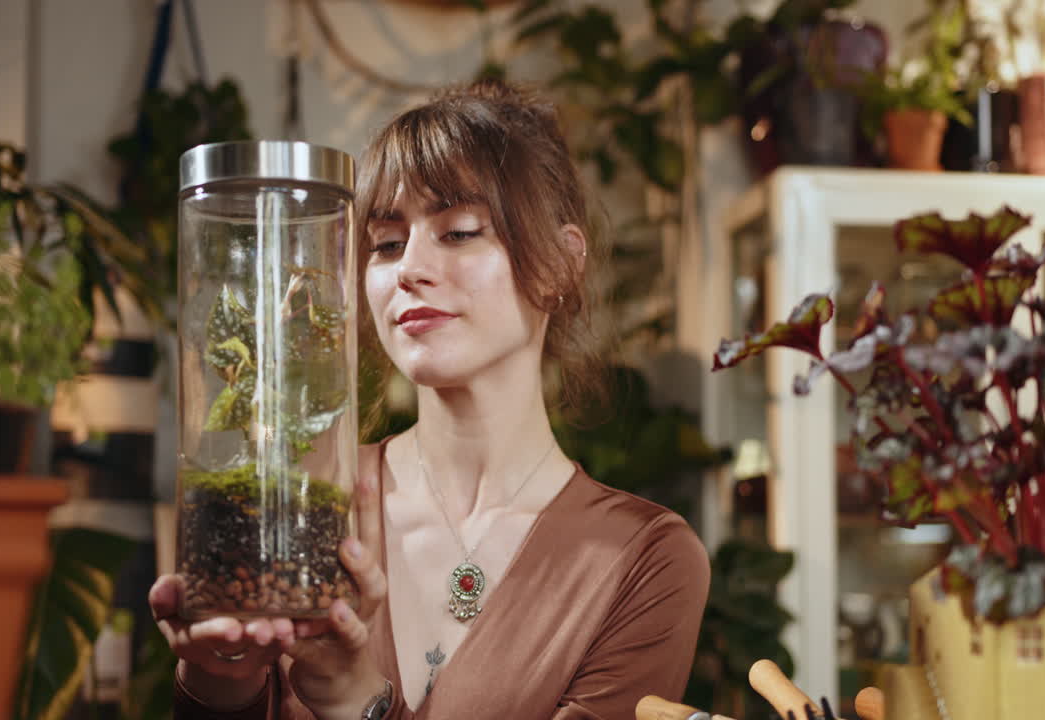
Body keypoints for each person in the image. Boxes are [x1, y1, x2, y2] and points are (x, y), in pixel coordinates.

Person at [149, 79, 711, 719]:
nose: (409, 268)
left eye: (460, 231)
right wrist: (219, 681)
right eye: (386, 244)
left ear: (559, 265)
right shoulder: (301, 501)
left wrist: (354, 697)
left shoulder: (644, 561)